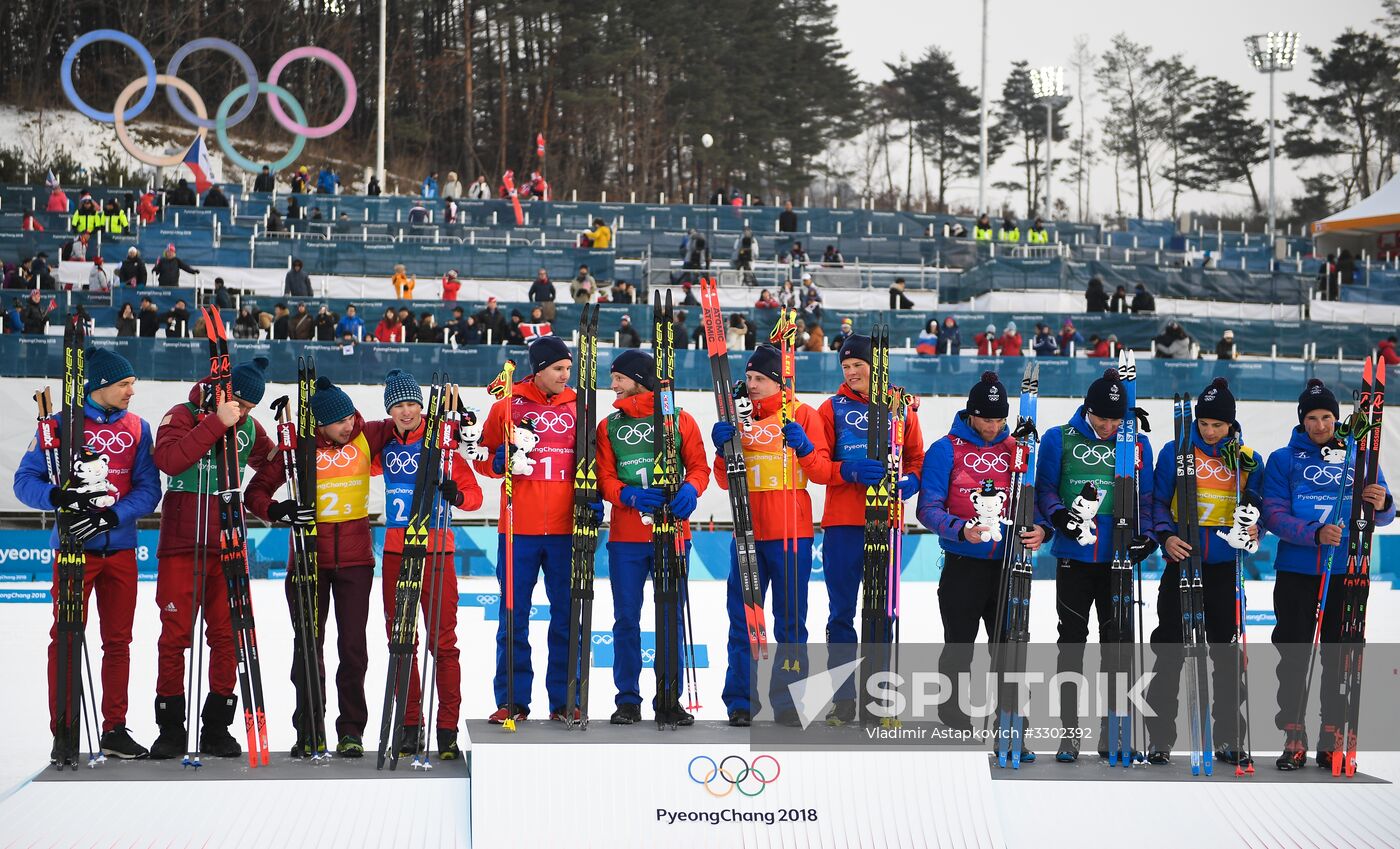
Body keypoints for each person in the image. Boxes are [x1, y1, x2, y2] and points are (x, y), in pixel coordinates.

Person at [13, 347, 162, 761]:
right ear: (99, 386)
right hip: (74, 550)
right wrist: (56, 496)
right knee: (65, 638)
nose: (133, 390)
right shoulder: (60, 424)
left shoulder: (138, 427)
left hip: (120, 550)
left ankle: (114, 728)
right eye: (124, 384)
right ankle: (63, 729)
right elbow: (24, 482)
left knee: (119, 642)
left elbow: (150, 490)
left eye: (132, 382)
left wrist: (113, 516)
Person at [244, 378, 393, 757]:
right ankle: (309, 728)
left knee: (354, 649)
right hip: (307, 562)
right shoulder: (298, 447)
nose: (348, 424)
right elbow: (256, 493)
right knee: (307, 648)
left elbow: (408, 424)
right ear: (320, 424)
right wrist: (279, 510)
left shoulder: (368, 435)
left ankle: (351, 732)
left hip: (356, 562)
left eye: (349, 416)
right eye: (339, 421)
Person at [146, 358, 275, 761]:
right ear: (221, 390)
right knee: (174, 637)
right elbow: (169, 461)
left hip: (228, 544)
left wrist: (262, 494)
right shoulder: (181, 415)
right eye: (240, 402)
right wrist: (216, 423)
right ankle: (170, 728)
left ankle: (217, 727)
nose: (245, 413)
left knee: (227, 637)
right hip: (182, 545)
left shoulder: (250, 428)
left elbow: (274, 464)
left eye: (251, 408)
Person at [1262, 379, 1393, 770]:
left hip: (1346, 571)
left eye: (1327, 417)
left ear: (1337, 419)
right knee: (1294, 656)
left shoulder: (1360, 455)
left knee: (1341, 656)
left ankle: (1332, 735)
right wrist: (1314, 534)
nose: (1320, 425)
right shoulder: (1283, 459)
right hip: (1299, 571)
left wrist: (1384, 503)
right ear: (1301, 420)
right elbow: (1273, 514)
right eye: (1312, 418)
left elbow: (1381, 510)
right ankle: (1294, 735)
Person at [918, 371, 1051, 736]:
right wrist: (961, 529)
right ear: (970, 414)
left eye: (999, 420)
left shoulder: (1017, 448)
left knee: (1008, 647)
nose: (993, 427)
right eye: (986, 419)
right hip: (963, 565)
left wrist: (1043, 529)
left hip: (1009, 565)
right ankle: (953, 714)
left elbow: (1033, 503)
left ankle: (1010, 717)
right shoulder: (945, 448)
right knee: (959, 646)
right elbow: (927, 508)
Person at [710, 343, 834, 727]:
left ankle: (789, 701)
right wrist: (722, 448)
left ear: (779, 382)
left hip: (791, 534)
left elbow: (823, 473)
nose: (752, 385)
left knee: (791, 622)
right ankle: (741, 701)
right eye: (748, 378)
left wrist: (806, 448)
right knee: (743, 619)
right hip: (746, 533)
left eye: (760, 378)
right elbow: (722, 480)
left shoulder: (802, 415)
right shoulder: (736, 417)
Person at [1035, 368, 1155, 761]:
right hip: (1075, 555)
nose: (1107, 427)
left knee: (1117, 649)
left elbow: (1148, 497)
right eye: (1100, 419)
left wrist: (1149, 536)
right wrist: (1057, 516)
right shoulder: (1059, 437)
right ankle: (1069, 733)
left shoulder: (1136, 443)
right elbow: (1046, 489)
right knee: (1071, 644)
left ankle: (1113, 730)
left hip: (1118, 558)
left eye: (1115, 421)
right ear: (1087, 410)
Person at [1143, 378, 1261, 767]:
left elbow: (1257, 509)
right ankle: (1160, 739)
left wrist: (1255, 527)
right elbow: (1158, 502)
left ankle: (1229, 737)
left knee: (1226, 657)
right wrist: (1166, 536)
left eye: (1218, 425)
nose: (1209, 431)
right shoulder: (1174, 451)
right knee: (1169, 652)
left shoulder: (1247, 458)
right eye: (1204, 423)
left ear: (1231, 425)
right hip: (1182, 563)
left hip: (1224, 567)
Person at [593, 351, 710, 724]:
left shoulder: (680, 420)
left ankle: (668, 699)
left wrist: (691, 490)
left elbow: (699, 468)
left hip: (672, 532)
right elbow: (605, 478)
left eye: (619, 378)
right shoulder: (609, 425)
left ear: (640, 380)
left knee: (670, 617)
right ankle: (627, 699)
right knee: (626, 619)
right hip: (626, 537)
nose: (613, 385)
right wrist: (626, 495)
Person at [372, 371, 483, 759]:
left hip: (437, 552)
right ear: (390, 410)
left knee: (443, 644)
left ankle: (447, 729)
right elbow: (346, 458)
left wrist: (456, 495)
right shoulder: (383, 444)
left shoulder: (444, 445)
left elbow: (474, 496)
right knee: (402, 644)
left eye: (411, 403)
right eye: (398, 405)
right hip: (395, 554)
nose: (406, 411)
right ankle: (409, 725)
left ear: (422, 406)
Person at [814, 336, 923, 724]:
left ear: (876, 365)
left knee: (882, 613)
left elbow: (915, 458)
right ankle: (844, 700)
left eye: (858, 364)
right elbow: (817, 466)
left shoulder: (902, 406)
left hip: (886, 520)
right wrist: (850, 470)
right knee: (841, 614)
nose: (852, 371)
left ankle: (878, 701)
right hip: (843, 523)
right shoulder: (831, 408)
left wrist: (910, 481)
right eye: (845, 367)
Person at [474, 337, 581, 723]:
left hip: (567, 532)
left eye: (568, 369)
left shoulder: (579, 405)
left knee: (567, 617)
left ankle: (566, 700)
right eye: (558, 369)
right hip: (518, 529)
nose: (565, 375)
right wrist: (498, 462)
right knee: (513, 617)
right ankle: (513, 700)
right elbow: (481, 459)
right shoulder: (507, 405)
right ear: (538, 370)